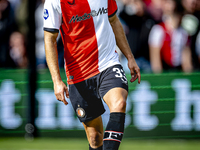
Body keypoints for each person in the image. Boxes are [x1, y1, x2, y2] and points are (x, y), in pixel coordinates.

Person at [43, 0, 141, 150]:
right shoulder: (55, 2)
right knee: (95, 137)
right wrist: (56, 80)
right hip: (78, 73)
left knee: (119, 103)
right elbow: (49, 39)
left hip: (108, 63)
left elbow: (114, 21)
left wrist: (130, 57)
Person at [148, 0, 193, 73]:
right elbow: (155, 59)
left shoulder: (183, 32)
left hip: (178, 70)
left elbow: (186, 57)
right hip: (165, 69)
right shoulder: (158, 30)